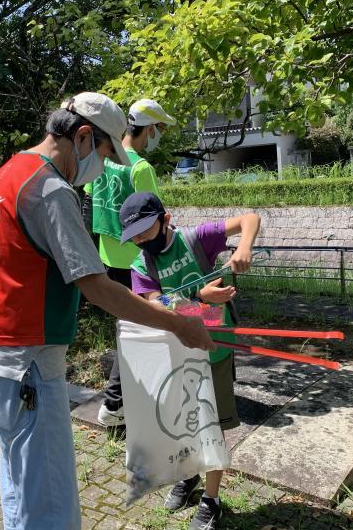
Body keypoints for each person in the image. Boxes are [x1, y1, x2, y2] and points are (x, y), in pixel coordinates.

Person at [0, 92, 215, 530]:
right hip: (27, 369)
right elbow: (98, 287)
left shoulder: (10, 171)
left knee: (19, 487)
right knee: (49, 510)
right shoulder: (50, 190)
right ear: (83, 137)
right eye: (103, 153)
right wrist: (179, 326)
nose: (102, 166)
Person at [118, 191, 260, 530]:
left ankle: (212, 500)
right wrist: (198, 295)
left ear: (165, 220)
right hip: (178, 353)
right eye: (133, 235)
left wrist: (243, 248)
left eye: (145, 231)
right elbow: (156, 304)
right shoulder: (142, 264)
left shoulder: (194, 238)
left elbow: (249, 218)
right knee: (185, 421)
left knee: (214, 426)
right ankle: (189, 476)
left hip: (216, 346)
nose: (140, 240)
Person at [87, 99, 177, 427]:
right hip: (138, 264)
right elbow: (155, 219)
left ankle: (127, 400)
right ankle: (113, 406)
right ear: (149, 129)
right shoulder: (140, 168)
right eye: (160, 129)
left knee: (130, 328)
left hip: (108, 260)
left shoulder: (104, 162)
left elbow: (92, 201)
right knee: (140, 328)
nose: (160, 135)